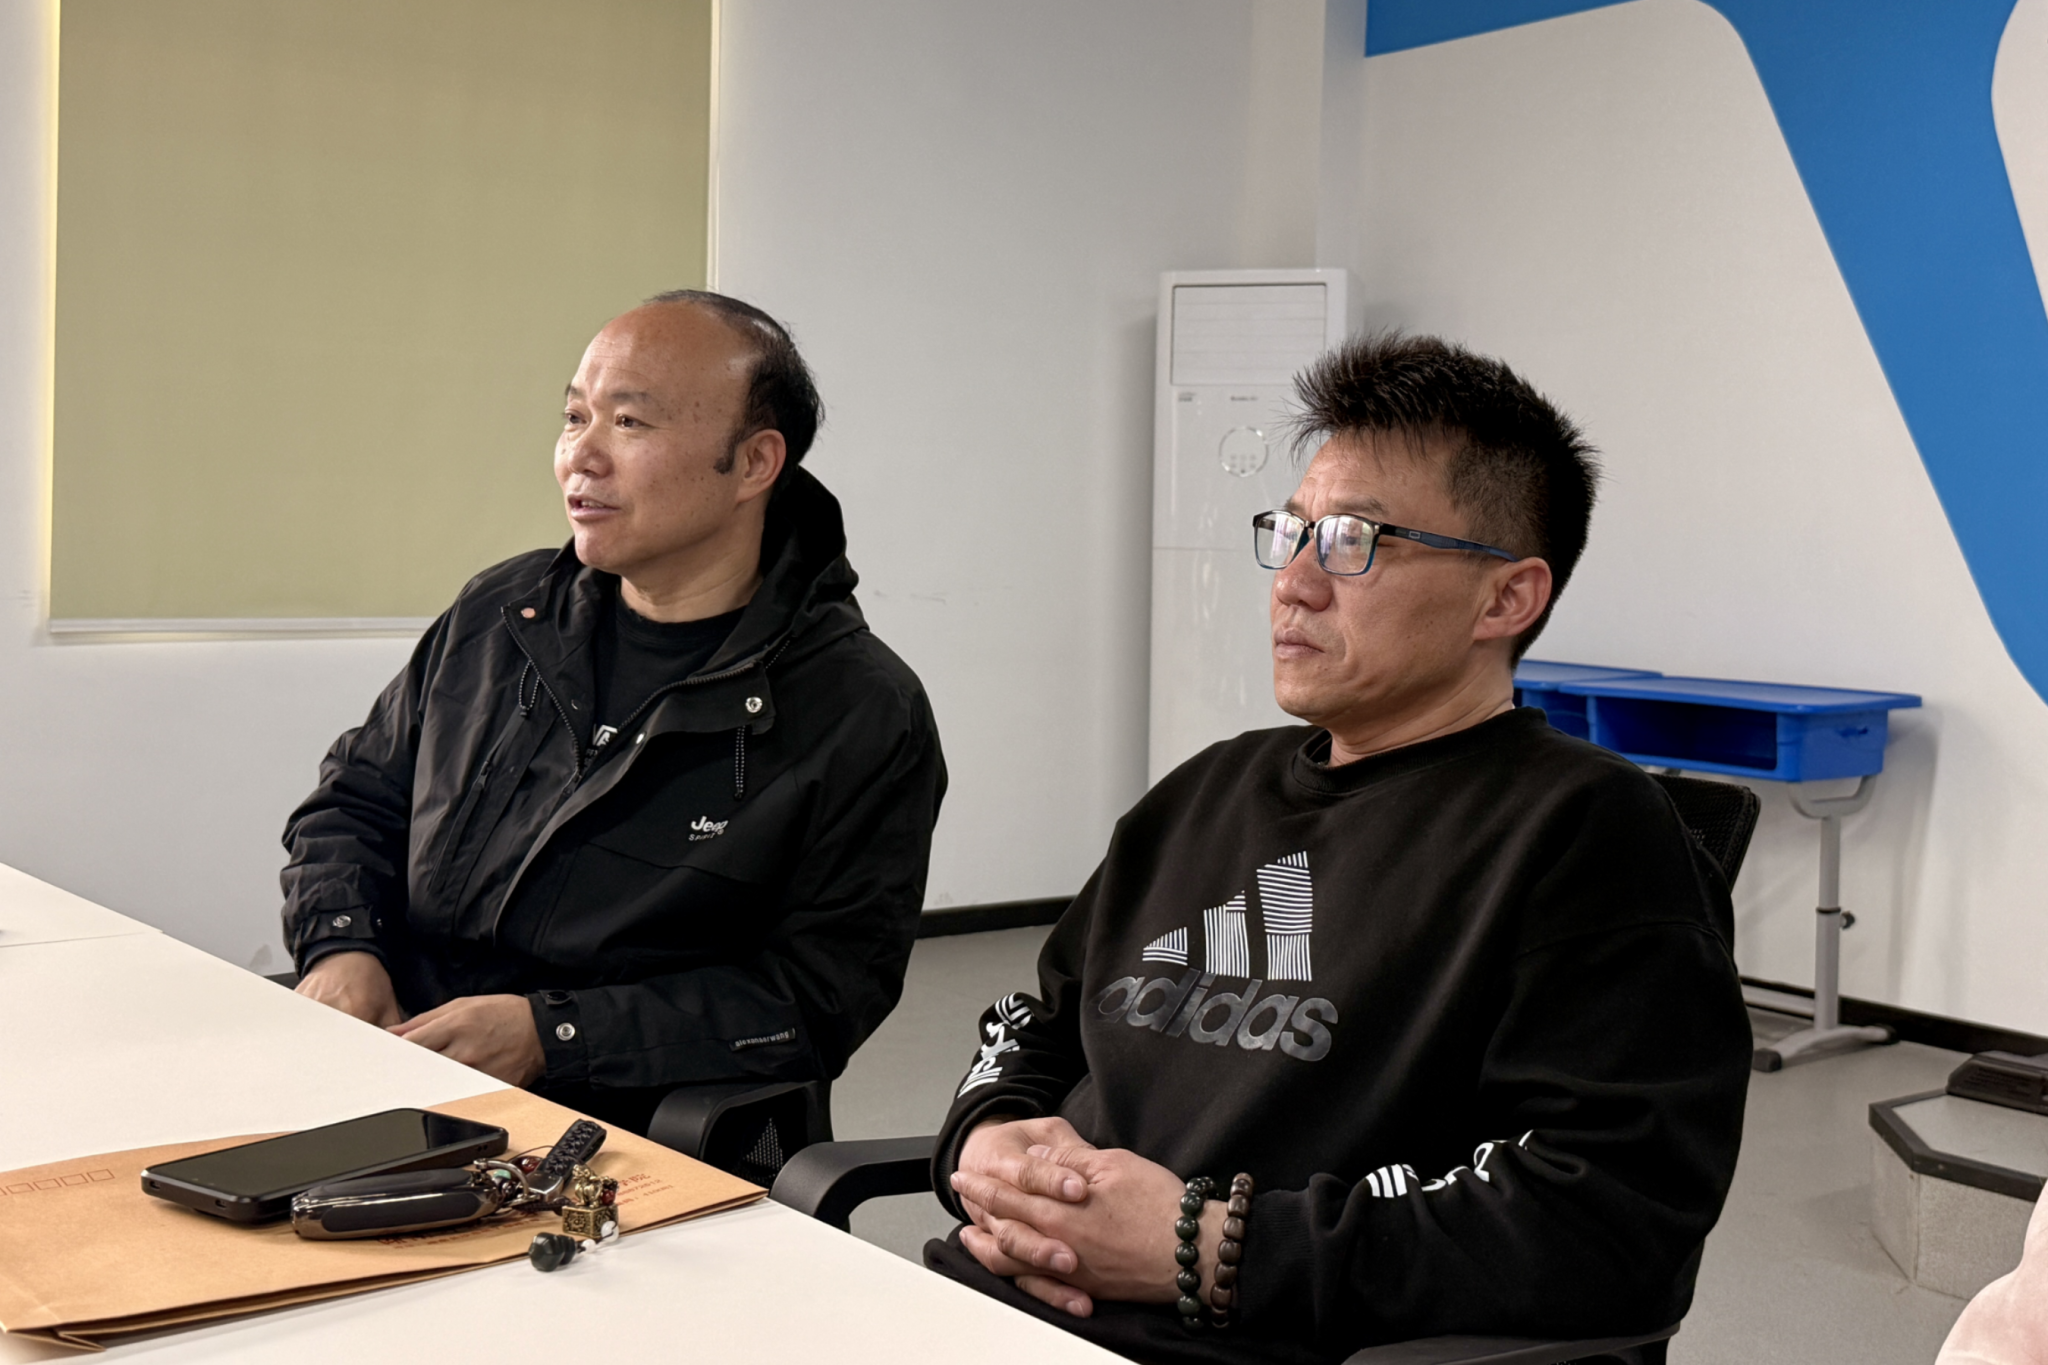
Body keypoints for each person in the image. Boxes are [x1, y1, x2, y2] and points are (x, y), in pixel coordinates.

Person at [927, 333, 1751, 1364]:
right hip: (981, 1302)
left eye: (1355, 541)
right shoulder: (1205, 789)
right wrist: (989, 1135)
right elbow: (1041, 1023)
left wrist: (1206, 1248)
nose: (1294, 583)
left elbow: (1605, 1217)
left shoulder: (1584, 833)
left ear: (1505, 597)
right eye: (1292, 532)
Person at [281, 291, 946, 1134]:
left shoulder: (860, 710)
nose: (580, 458)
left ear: (754, 463)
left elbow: (817, 997)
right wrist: (342, 945)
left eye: (629, 423)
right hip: (400, 1073)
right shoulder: (503, 613)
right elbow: (355, 800)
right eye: (574, 416)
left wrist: (552, 1035)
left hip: (622, 1132)